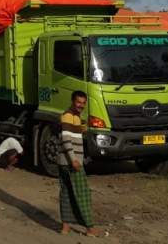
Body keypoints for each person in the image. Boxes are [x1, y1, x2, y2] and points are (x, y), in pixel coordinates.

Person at [58, 90, 101, 237]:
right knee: (82, 194)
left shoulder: (75, 117)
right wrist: (73, 160)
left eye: (83, 103)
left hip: (64, 162)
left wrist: (85, 125)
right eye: (78, 102)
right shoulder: (68, 116)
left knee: (66, 193)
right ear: (72, 101)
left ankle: (65, 227)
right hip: (71, 162)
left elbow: (77, 132)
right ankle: (90, 228)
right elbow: (66, 140)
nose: (81, 105)